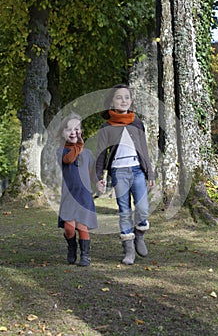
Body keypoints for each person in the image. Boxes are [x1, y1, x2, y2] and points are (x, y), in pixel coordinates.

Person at [96, 84, 155, 265]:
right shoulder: (106, 127)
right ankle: (128, 250)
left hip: (137, 170)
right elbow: (101, 154)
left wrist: (149, 173)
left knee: (143, 208)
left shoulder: (137, 123)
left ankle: (139, 235)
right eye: (119, 97)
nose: (123, 101)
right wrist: (100, 177)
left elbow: (144, 150)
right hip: (118, 172)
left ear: (131, 102)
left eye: (126, 98)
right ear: (112, 102)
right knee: (124, 210)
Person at [57, 113, 98, 266]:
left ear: (81, 131)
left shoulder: (88, 154)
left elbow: (92, 174)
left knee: (82, 227)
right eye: (68, 129)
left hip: (84, 197)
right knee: (69, 228)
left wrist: (98, 182)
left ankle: (85, 256)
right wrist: (79, 145)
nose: (73, 132)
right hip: (69, 197)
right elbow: (69, 159)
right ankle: (72, 247)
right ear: (63, 133)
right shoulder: (61, 151)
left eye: (77, 129)